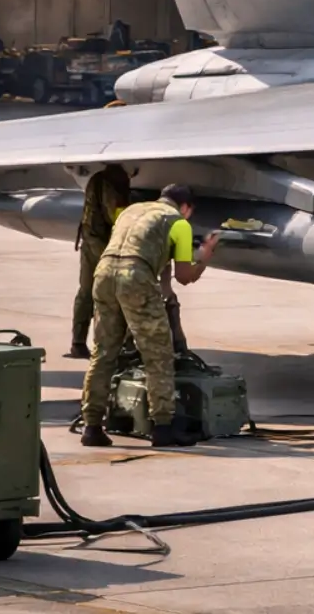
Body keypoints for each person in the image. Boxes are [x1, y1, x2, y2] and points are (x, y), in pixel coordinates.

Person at [79, 184, 218, 448]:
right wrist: (205, 256)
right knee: (158, 354)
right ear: (185, 206)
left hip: (105, 274)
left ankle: (92, 426)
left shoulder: (132, 211)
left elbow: (148, 252)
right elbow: (184, 276)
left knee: (104, 353)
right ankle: (163, 428)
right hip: (136, 279)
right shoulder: (179, 224)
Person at [67, 164, 133, 359]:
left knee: (86, 291)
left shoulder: (97, 178)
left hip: (89, 239)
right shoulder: (113, 181)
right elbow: (115, 213)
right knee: (112, 292)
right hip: (103, 243)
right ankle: (112, 343)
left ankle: (78, 342)